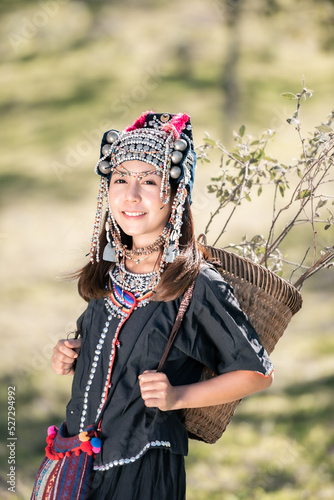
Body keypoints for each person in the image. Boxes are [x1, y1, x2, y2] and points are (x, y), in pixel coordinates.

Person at [51, 111, 274, 499]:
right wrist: (69, 353)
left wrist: (178, 397)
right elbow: (106, 347)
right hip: (78, 458)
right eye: (120, 179)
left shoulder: (195, 284)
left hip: (144, 467)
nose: (131, 195)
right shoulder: (108, 272)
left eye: (149, 181)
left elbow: (257, 373)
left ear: (176, 192)